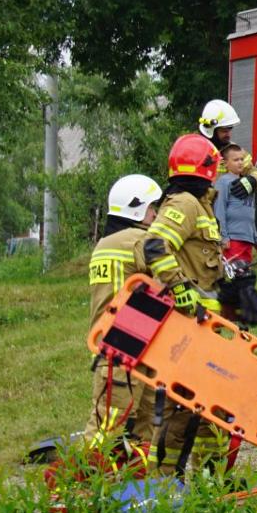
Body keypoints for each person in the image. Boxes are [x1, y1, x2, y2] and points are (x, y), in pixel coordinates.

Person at [138, 135, 229, 475]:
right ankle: (164, 482)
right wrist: (179, 288)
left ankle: (212, 479)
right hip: (188, 325)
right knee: (183, 405)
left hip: (205, 326)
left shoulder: (199, 204)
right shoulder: (186, 204)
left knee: (211, 406)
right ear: (207, 168)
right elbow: (154, 244)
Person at [85, 175, 164, 460]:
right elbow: (171, 270)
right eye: (152, 208)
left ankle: (126, 485)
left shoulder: (104, 243)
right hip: (128, 345)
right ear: (136, 209)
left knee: (111, 425)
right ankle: (80, 488)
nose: (155, 214)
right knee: (118, 428)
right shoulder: (138, 241)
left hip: (116, 347)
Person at [213, 145, 257, 327]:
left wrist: (255, 239)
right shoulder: (223, 183)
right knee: (237, 277)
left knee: (245, 276)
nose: (240, 163)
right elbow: (219, 211)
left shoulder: (246, 184)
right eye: (235, 160)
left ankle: (241, 314)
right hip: (232, 240)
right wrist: (223, 237)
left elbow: (249, 214)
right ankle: (233, 314)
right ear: (226, 163)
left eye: (242, 159)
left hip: (246, 240)